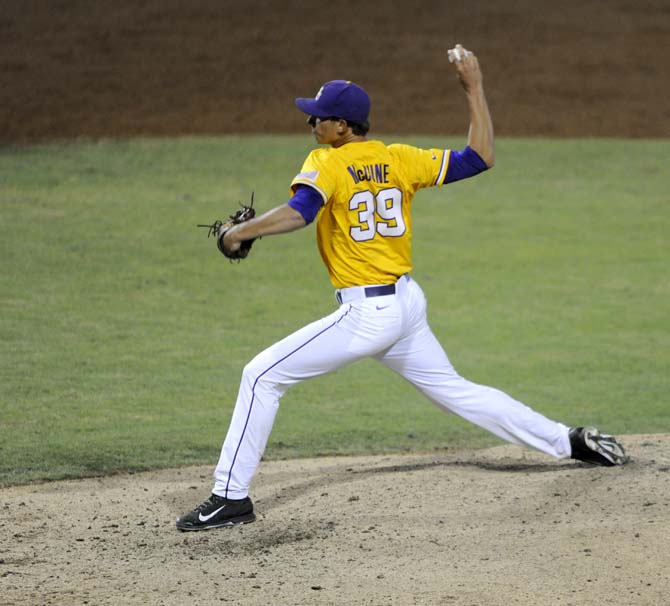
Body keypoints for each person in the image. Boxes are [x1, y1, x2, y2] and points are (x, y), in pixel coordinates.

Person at [176, 44, 628, 531]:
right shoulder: (400, 159)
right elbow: (480, 156)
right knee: (457, 390)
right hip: (405, 307)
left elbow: (300, 212)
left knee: (261, 376)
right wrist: (474, 89)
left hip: (368, 315)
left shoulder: (325, 162)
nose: (312, 125)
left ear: (342, 128)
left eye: (319, 119)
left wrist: (237, 233)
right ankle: (570, 441)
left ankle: (230, 497)